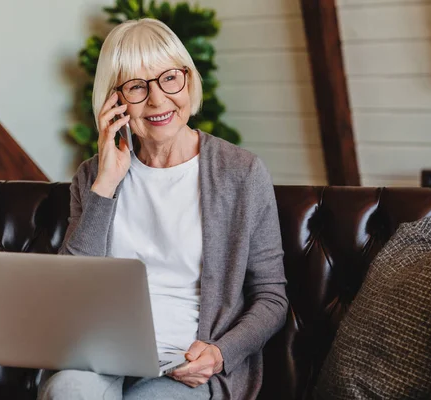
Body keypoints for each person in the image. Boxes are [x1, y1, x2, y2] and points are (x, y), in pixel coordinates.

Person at [38, 18, 288, 400]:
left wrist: (221, 354)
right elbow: (70, 290)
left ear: (188, 80)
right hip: (102, 355)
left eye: (169, 78)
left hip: (188, 366)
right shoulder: (92, 175)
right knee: (66, 390)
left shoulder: (242, 173)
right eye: (137, 87)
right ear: (114, 100)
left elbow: (272, 297)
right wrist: (105, 185)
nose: (157, 100)